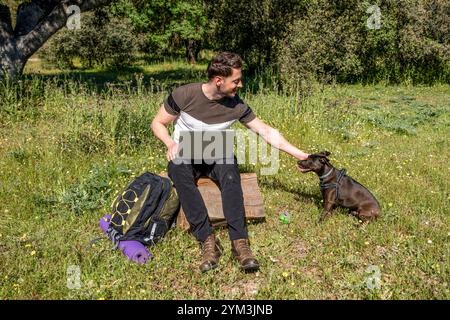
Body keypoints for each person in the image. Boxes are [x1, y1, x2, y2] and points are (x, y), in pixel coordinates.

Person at [151, 52, 309, 273]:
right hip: (185, 149)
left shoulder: (236, 105)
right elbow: (157, 123)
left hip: (216, 150)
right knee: (177, 170)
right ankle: (208, 241)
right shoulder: (184, 94)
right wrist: (170, 143)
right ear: (218, 81)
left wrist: (301, 155)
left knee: (230, 172)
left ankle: (240, 244)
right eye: (236, 80)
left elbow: (266, 132)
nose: (240, 84)